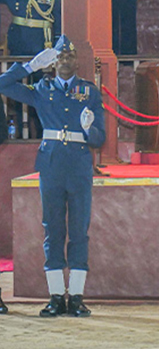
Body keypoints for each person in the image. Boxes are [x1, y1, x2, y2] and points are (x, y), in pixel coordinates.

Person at [0, 35, 105, 317]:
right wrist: (30, 66)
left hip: (79, 164)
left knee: (79, 230)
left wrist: (88, 130)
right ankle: (56, 295)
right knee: (53, 229)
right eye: (59, 57)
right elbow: (3, 84)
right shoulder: (41, 89)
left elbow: (99, 138)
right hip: (51, 164)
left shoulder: (89, 91)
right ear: (52, 62)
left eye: (69, 56)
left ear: (77, 61)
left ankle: (77, 297)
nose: (65, 61)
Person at [0, 0, 60, 139]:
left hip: (41, 46)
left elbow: (57, 16)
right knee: (17, 93)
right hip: (19, 46)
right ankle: (18, 133)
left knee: (41, 91)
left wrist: (56, 45)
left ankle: (43, 132)